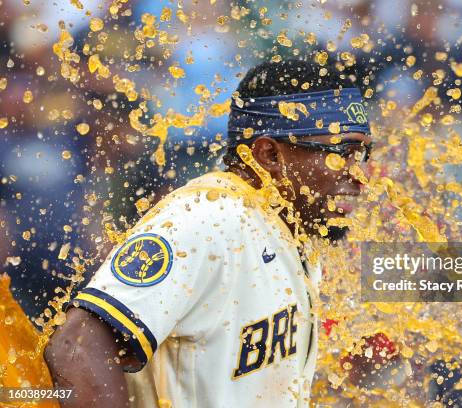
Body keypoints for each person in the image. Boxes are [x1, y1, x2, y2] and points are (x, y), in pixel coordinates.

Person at [44, 59, 372, 407]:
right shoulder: (209, 216)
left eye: (364, 154)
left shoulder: (291, 228)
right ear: (270, 154)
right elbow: (76, 347)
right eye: (342, 154)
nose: (360, 174)